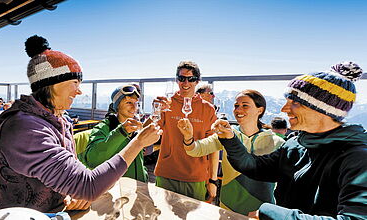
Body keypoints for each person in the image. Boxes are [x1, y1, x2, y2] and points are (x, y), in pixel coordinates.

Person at [0, 35, 162, 212]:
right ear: (52, 83)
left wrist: (68, 191)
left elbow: (66, 176)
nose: (79, 91)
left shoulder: (60, 119)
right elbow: (88, 185)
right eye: (75, 82)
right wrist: (138, 142)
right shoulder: (24, 129)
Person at [209, 62, 366, 219]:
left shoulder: (357, 158)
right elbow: (254, 166)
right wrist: (229, 138)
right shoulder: (295, 144)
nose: (284, 109)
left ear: (322, 110)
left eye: (295, 103)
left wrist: (272, 214)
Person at [178, 89, 284, 215]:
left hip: (261, 211)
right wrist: (188, 136)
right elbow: (195, 150)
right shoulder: (225, 135)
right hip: (227, 206)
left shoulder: (277, 143)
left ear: (260, 110)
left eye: (245, 106)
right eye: (236, 106)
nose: (238, 110)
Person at [152, 61, 218, 201]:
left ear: (197, 81)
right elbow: (151, 134)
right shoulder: (167, 104)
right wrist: (156, 111)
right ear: (177, 80)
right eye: (181, 78)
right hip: (167, 173)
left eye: (191, 79)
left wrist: (212, 180)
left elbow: (214, 147)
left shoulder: (207, 109)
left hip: (195, 176)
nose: (185, 82)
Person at [80, 84, 148, 182]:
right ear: (117, 106)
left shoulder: (136, 128)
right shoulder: (104, 127)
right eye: (129, 102)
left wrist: (144, 175)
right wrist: (121, 132)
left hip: (138, 187)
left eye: (136, 103)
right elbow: (92, 160)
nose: (134, 108)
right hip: (116, 189)